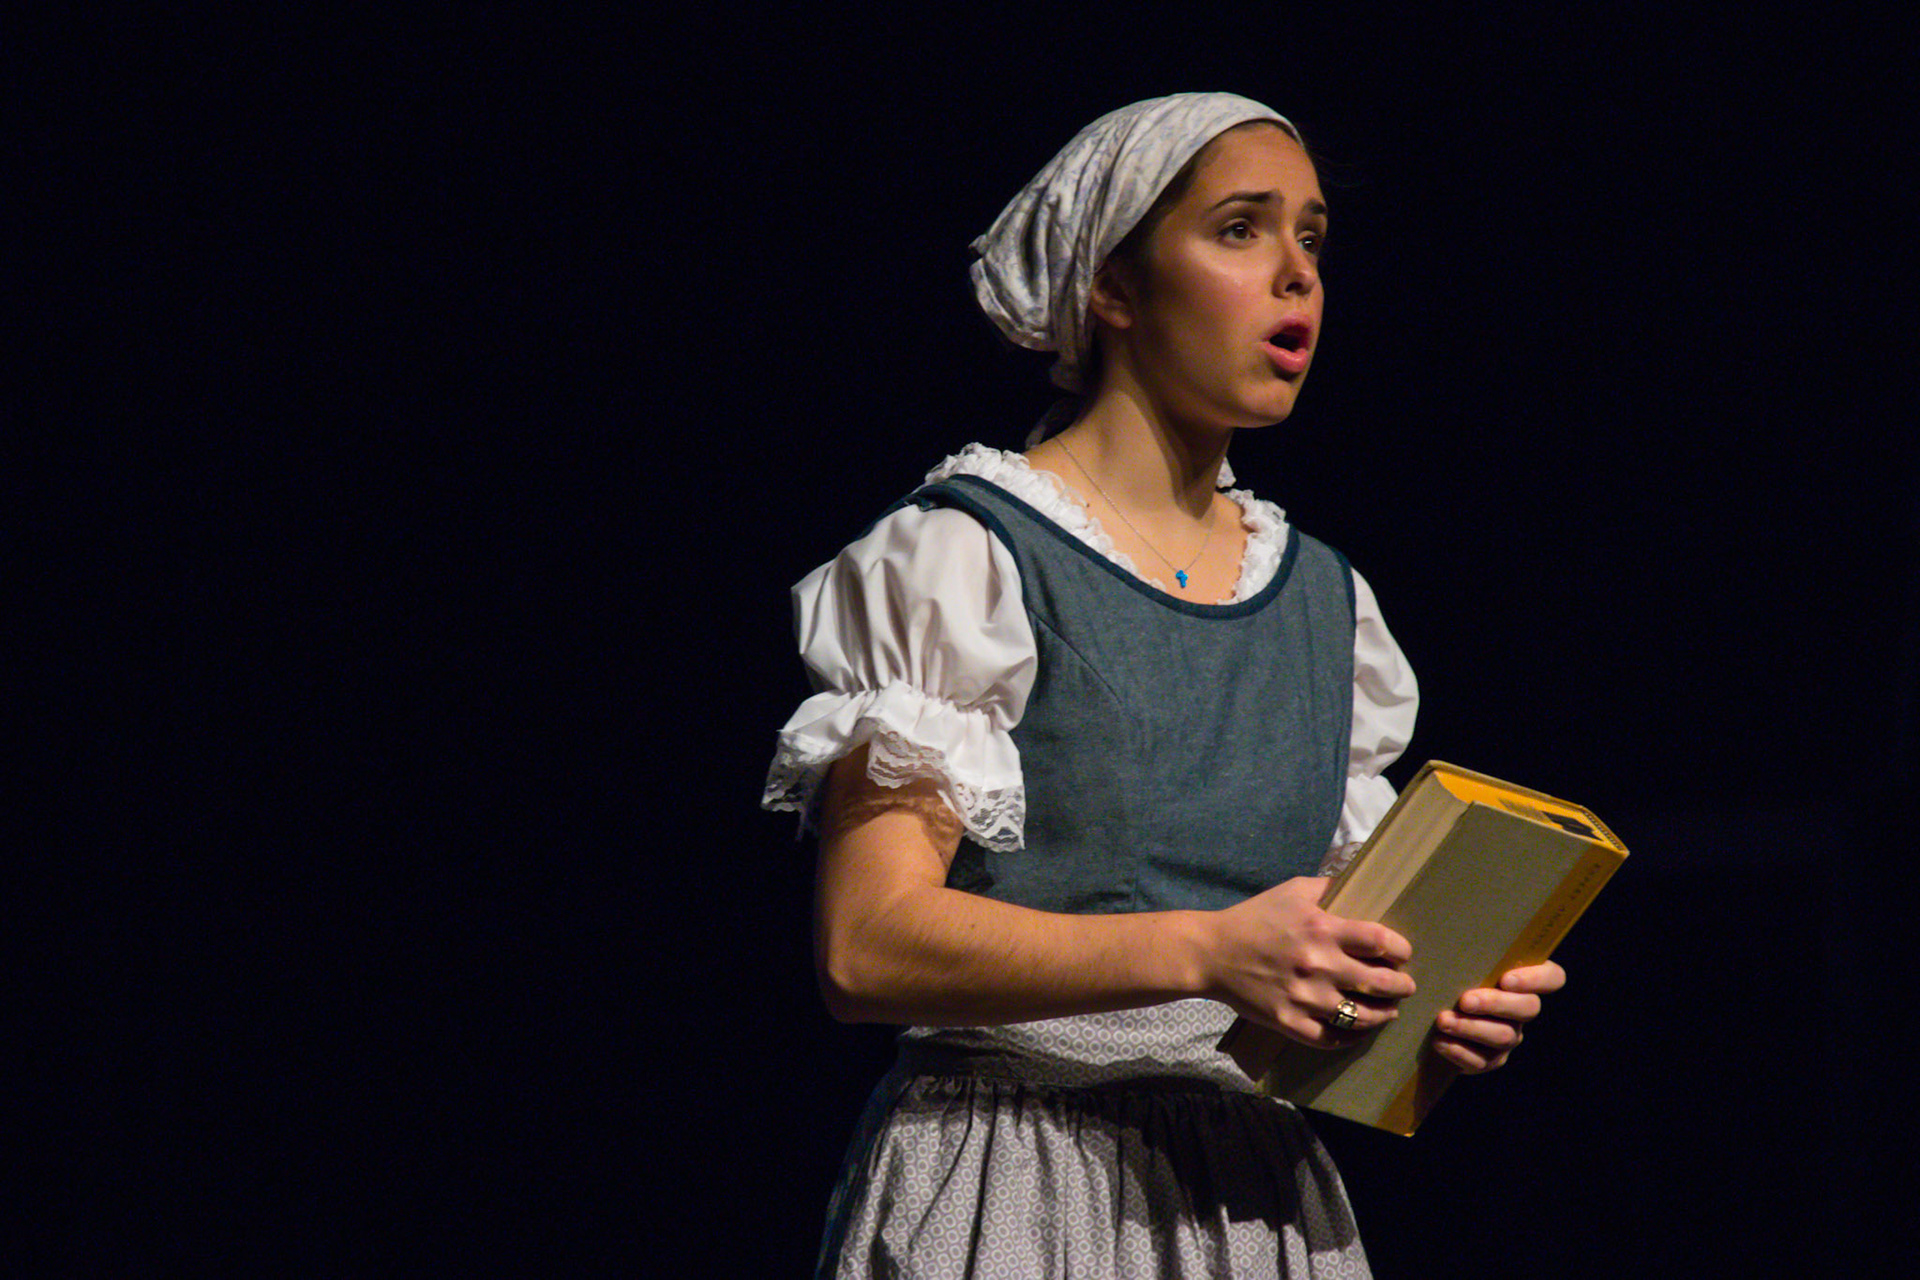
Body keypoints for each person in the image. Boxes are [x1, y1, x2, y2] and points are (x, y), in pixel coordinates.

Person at [763, 92, 1565, 1279]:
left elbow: (1307, 1024)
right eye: (1241, 228)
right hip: (1018, 1166)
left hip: (1250, 1196)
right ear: (1113, 289)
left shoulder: (1327, 603)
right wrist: (1206, 950)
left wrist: (1424, 1031)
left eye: (1311, 236)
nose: (1297, 273)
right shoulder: (967, 555)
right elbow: (865, 944)